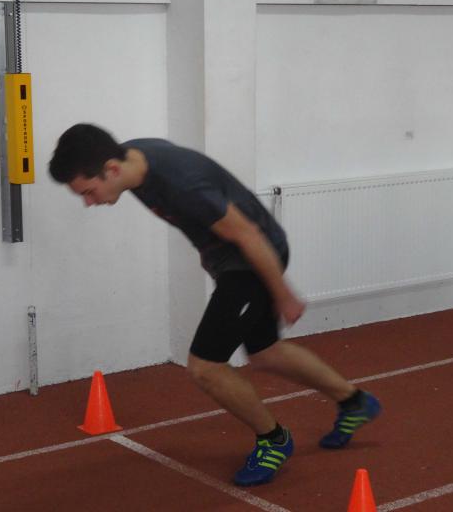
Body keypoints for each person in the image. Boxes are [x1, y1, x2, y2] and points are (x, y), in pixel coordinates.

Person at [49, 124, 381, 487]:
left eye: (89, 192)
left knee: (206, 367)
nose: (89, 202)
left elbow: (247, 234)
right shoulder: (133, 158)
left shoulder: (182, 184)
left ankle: (274, 440)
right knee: (266, 352)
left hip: (252, 259)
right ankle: (354, 402)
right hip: (234, 258)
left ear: (111, 169)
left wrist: (282, 293)